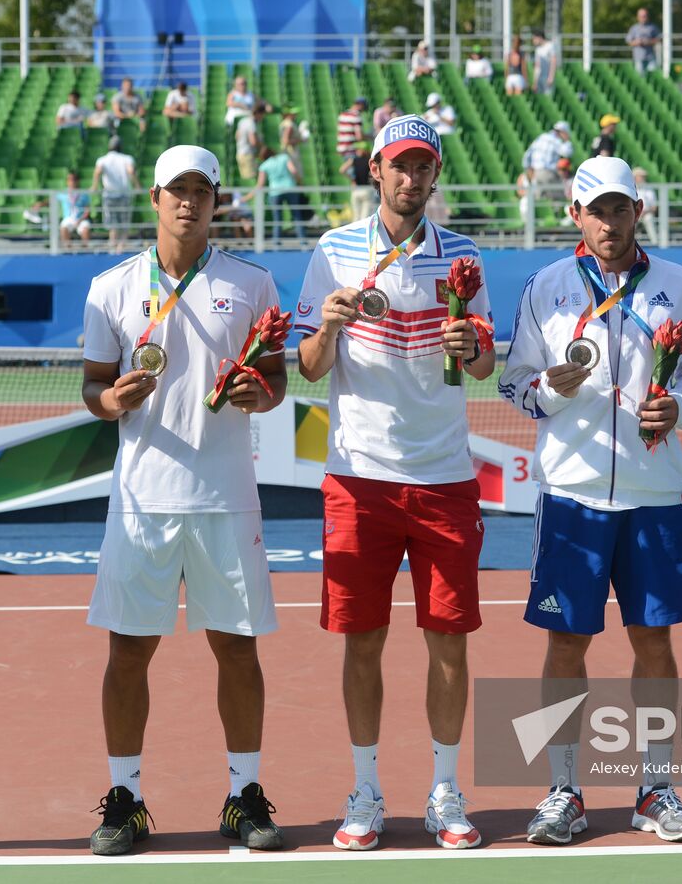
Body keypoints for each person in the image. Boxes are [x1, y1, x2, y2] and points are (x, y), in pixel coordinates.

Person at [499, 156, 682, 847]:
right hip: (572, 493)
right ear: (574, 214)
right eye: (596, 210)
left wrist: (679, 405)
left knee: (654, 642)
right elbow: (513, 386)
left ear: (639, 211)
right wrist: (551, 390)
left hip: (654, 495)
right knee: (567, 643)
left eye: (620, 208)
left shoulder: (680, 285)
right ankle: (562, 790)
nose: (609, 222)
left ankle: (657, 788)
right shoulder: (546, 287)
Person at [294, 115, 495, 852]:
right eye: (399, 165)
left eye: (423, 166)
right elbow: (309, 368)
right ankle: (366, 789)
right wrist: (329, 326)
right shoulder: (334, 251)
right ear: (374, 170)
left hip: (444, 477)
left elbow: (482, 369)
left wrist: (470, 342)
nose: (412, 178)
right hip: (359, 477)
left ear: (436, 175)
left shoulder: (463, 255)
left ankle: (445, 789)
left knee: (450, 642)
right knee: (363, 641)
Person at [81, 144, 288, 856]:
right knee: (128, 651)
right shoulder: (110, 287)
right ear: (154, 197)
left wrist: (260, 393)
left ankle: (244, 793)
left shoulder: (252, 283)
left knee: (237, 649)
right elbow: (93, 387)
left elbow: (276, 380)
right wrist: (112, 399)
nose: (188, 202)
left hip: (225, 495)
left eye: (202, 190)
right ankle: (126, 797)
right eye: (176, 190)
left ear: (216, 200)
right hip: (142, 497)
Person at [247, 146, 306, 240]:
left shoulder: (264, 165)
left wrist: (247, 197)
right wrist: (300, 183)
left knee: (277, 219)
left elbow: (260, 185)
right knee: (296, 216)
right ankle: (303, 241)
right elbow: (294, 171)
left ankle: (276, 242)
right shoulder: (284, 157)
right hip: (290, 188)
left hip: (275, 192)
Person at [93, 136, 141, 252]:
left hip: (109, 195)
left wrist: (94, 186)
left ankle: (113, 246)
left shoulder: (102, 160)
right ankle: (121, 246)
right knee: (124, 222)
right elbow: (130, 171)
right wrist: (137, 185)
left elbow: (98, 172)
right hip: (124, 194)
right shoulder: (127, 158)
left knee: (112, 223)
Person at [523, 122, 574, 204]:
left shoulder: (541, 137)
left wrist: (528, 170)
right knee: (560, 198)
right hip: (548, 173)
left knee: (540, 202)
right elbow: (567, 152)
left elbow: (527, 156)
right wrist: (567, 140)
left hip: (536, 173)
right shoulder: (556, 140)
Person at [340, 140, 375, 224]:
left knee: (356, 218)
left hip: (356, 190)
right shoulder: (370, 161)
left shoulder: (354, 160)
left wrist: (352, 179)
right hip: (367, 190)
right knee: (365, 219)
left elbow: (342, 170)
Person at [57, 169, 93, 245]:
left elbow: (87, 210)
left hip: (81, 218)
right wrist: (40, 204)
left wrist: (80, 220)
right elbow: (51, 200)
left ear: (77, 181)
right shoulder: (63, 193)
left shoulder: (83, 194)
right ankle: (68, 249)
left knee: (85, 229)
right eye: (69, 180)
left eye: (73, 180)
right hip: (68, 218)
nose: (71, 182)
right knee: (63, 228)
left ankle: (85, 250)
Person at [236, 105, 266, 182]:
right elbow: (253, 141)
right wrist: (262, 148)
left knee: (245, 180)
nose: (262, 118)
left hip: (240, 153)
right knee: (250, 181)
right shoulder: (251, 124)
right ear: (258, 114)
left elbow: (237, 136)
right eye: (262, 115)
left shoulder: (242, 121)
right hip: (248, 155)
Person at [626, 7, 660, 74]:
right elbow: (629, 41)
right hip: (638, 58)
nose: (643, 18)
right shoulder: (634, 28)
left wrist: (648, 42)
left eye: (645, 16)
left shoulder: (653, 27)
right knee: (640, 78)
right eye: (641, 16)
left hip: (650, 58)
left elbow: (659, 39)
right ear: (638, 17)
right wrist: (637, 42)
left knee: (652, 77)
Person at [633, 167, 660, 246]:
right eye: (641, 176)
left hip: (646, 213)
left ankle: (655, 243)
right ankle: (628, 243)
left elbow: (654, 207)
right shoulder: (631, 188)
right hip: (634, 213)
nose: (643, 178)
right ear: (635, 177)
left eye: (643, 176)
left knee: (649, 218)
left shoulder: (649, 188)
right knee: (629, 219)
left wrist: (644, 212)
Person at [532, 32, 558, 96]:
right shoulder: (538, 49)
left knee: (548, 97)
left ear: (540, 38)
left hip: (547, 77)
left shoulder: (550, 45)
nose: (533, 41)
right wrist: (535, 82)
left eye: (535, 39)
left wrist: (551, 77)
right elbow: (537, 66)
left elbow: (553, 61)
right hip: (540, 77)